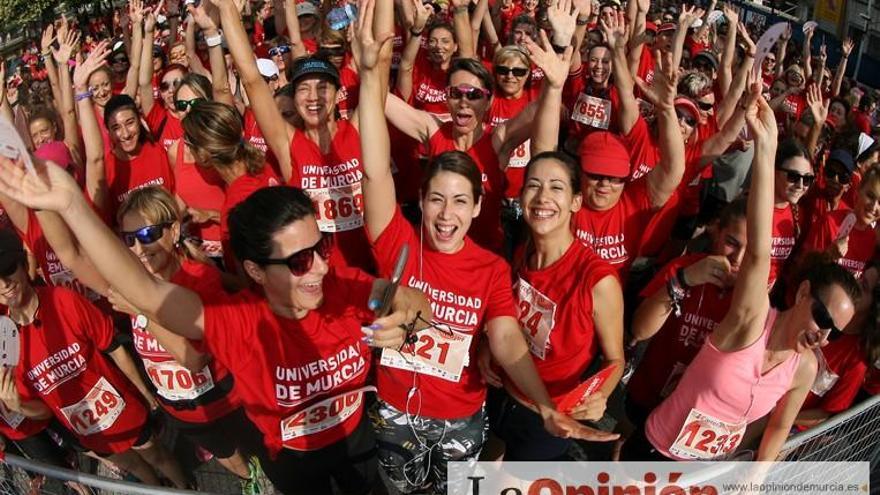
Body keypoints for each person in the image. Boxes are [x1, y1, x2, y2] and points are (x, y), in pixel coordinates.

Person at [0, 145, 433, 495]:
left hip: (359, 444)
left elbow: (405, 297)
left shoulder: (341, 285)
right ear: (256, 271)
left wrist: (408, 314)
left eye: (322, 249)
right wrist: (71, 204)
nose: (320, 267)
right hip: (293, 464)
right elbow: (147, 294)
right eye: (299, 261)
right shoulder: (239, 322)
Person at [355, 5, 615, 492]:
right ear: (420, 201)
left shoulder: (493, 267)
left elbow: (509, 340)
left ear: (479, 207)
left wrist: (543, 406)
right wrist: (369, 75)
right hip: (395, 417)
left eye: (459, 202)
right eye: (436, 200)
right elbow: (373, 166)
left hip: (462, 416)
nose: (447, 213)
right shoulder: (397, 244)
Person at [622, 92, 860, 462]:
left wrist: (752, 473)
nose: (824, 335)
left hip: (700, 475)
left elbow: (777, 427)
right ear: (802, 294)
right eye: (823, 318)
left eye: (836, 332)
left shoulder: (805, 366)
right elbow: (759, 254)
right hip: (656, 443)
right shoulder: (750, 320)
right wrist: (766, 149)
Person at [0, 225, 189, 488]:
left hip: (123, 410)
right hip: (88, 432)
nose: (4, 284)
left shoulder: (64, 300)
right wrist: (19, 406)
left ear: (22, 265)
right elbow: (43, 412)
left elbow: (114, 348)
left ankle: (185, 489)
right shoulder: (6, 341)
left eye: (8, 269)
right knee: (135, 467)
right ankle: (156, 490)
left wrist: (143, 393)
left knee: (157, 455)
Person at [486, 151, 625, 461]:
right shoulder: (523, 253)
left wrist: (599, 395)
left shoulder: (597, 280)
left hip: (549, 418)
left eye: (556, 187)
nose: (543, 197)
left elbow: (615, 358)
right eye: (533, 185)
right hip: (501, 392)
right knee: (488, 466)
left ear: (576, 201)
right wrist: (487, 346)